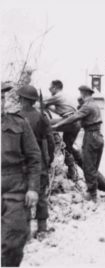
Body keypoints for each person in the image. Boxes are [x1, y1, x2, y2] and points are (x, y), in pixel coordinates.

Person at [1, 82, 41, 266]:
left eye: (1, 98)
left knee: (14, 241)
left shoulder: (19, 123)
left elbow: (34, 157)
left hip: (14, 190)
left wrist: (33, 188)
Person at [52, 85, 105, 204]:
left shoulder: (88, 106)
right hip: (98, 136)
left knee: (88, 165)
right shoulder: (93, 104)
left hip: (91, 136)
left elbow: (74, 117)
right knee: (93, 166)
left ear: (84, 94)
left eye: (80, 94)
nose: (80, 96)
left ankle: (92, 195)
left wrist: (57, 125)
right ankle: (96, 191)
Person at [17, 85, 55, 238]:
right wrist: (50, 159)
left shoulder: (17, 117)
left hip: (21, 164)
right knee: (41, 196)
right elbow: (50, 141)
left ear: (22, 99)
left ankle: (24, 232)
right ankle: (42, 229)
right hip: (38, 163)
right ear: (33, 101)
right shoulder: (42, 117)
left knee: (21, 196)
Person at [43, 80, 81, 180]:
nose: (49, 88)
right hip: (75, 123)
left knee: (46, 124)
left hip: (70, 120)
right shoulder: (64, 97)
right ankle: (73, 172)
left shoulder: (58, 96)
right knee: (67, 147)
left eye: (50, 87)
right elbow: (57, 110)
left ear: (55, 87)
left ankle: (51, 153)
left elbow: (42, 103)